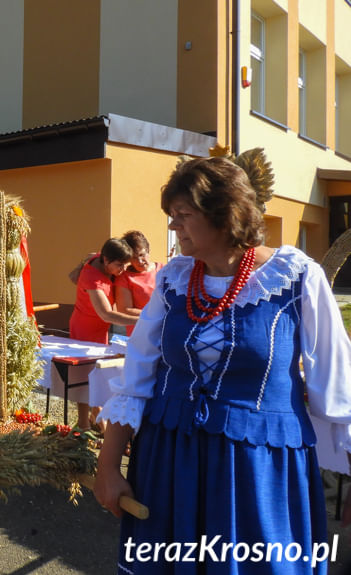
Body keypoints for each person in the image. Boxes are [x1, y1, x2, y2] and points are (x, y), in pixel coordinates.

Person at [93, 157, 351, 574]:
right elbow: (136, 378)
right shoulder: (175, 279)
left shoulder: (297, 276)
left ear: (225, 216)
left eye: (183, 215)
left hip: (259, 466)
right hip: (170, 460)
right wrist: (108, 468)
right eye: (171, 216)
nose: (173, 227)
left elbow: (339, 389)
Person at [69, 238, 139, 430]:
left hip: (100, 329)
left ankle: (96, 415)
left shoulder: (101, 257)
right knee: (83, 376)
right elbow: (106, 314)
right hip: (84, 329)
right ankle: (84, 422)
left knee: (98, 374)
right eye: (119, 265)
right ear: (107, 261)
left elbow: (92, 254)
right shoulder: (92, 279)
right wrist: (141, 320)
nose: (122, 270)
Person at [115, 230, 163, 336]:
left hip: (166, 330)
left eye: (142, 255)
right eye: (134, 258)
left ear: (148, 250)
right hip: (140, 333)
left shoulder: (164, 270)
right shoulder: (125, 277)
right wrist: (158, 315)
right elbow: (124, 310)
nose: (140, 261)